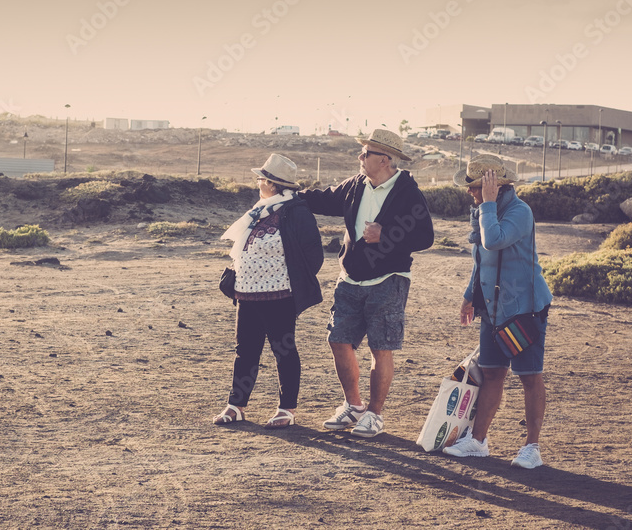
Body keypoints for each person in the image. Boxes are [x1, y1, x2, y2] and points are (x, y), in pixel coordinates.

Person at [299, 129, 434, 437]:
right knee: (338, 339)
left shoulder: (407, 192)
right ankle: (354, 406)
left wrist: (385, 235)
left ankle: (374, 414)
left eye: (366, 153)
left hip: (389, 278)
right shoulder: (356, 185)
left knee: (380, 347)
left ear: (384, 160)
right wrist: (287, 195)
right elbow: (323, 199)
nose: (360, 157)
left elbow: (425, 236)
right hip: (350, 277)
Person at [442, 154, 552, 469]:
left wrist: (487, 204)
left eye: (475, 186)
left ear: (494, 186)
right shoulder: (482, 211)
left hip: (523, 310)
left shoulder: (520, 212)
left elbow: (494, 241)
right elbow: (480, 259)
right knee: (492, 372)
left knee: (529, 376)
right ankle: (478, 441)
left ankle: (532, 447)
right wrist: (469, 296)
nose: (469, 192)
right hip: (492, 308)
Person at [213, 154, 324, 429]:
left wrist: (290, 281)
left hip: (279, 296)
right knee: (245, 351)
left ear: (272, 184)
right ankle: (236, 406)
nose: (258, 182)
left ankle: (287, 409)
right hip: (246, 293)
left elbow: (314, 255)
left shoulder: (296, 212)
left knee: (283, 350)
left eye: (261, 178)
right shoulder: (260, 210)